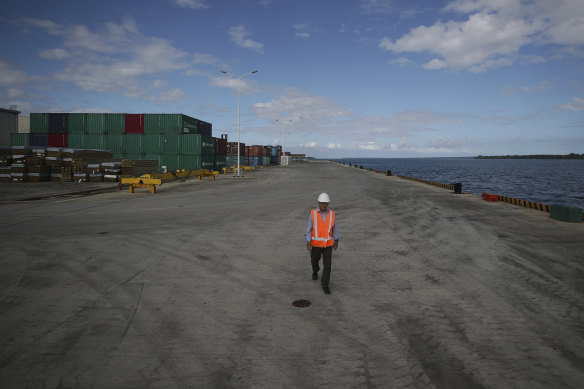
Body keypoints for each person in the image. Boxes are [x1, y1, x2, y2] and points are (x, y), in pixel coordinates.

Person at [306, 193, 339, 294]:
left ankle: (325, 285)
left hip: (328, 245)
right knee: (314, 261)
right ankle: (315, 271)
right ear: (318, 203)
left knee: (328, 266)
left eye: (325, 203)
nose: (324, 205)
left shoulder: (332, 214)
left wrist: (336, 240)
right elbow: (309, 229)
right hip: (315, 244)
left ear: (328, 203)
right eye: (322, 203)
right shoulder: (313, 214)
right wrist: (308, 242)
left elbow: (334, 228)